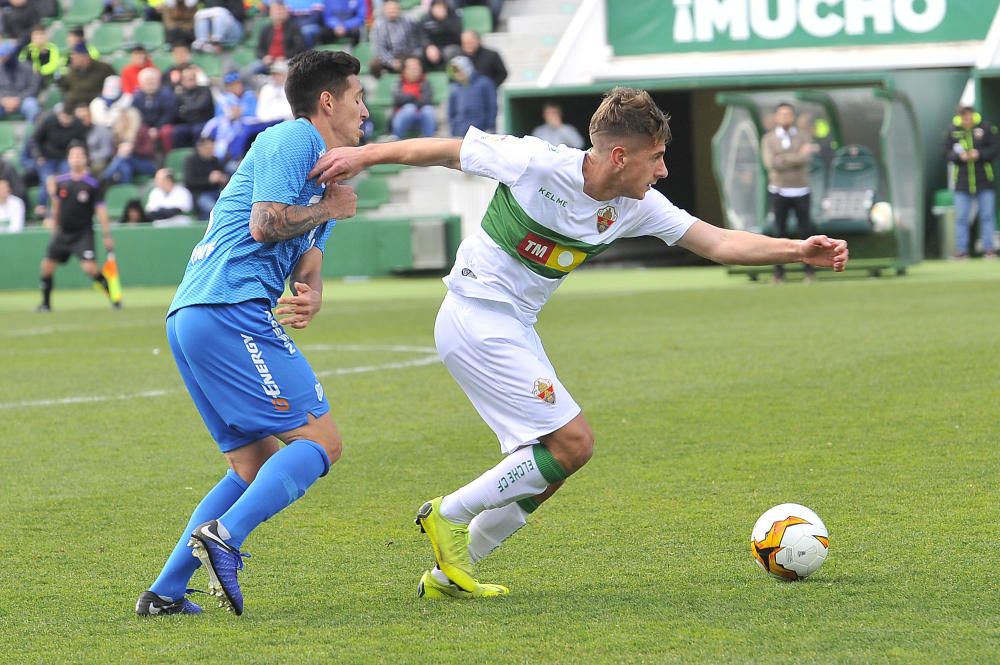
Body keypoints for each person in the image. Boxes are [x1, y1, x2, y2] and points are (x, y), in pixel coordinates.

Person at [308, 87, 848, 599]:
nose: (663, 170)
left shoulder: (637, 205)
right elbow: (450, 150)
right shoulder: (538, 162)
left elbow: (719, 241)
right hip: (474, 315)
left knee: (556, 465)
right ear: (619, 155)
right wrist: (367, 155)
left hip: (514, 327)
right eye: (656, 157)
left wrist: (799, 250)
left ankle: (454, 569)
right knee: (573, 442)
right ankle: (448, 513)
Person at [135, 49, 366, 617]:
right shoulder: (294, 140)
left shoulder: (323, 168)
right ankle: (226, 537)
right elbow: (266, 224)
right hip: (228, 307)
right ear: (328, 101)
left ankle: (165, 593)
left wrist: (312, 291)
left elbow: (302, 260)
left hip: (196, 315)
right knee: (322, 443)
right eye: (358, 98)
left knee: (253, 464)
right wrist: (331, 208)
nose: (366, 111)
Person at [37, 142, 117, 312]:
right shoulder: (61, 181)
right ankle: (45, 304)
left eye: (80, 155)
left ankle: (113, 297)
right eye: (73, 155)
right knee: (46, 266)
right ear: (68, 159)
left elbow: (101, 210)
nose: (76, 159)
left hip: (83, 233)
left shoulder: (93, 183)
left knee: (90, 268)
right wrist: (53, 225)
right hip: (63, 233)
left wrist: (107, 235)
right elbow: (56, 205)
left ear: (86, 158)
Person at [761, 102, 818, 282]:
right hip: (779, 190)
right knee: (779, 231)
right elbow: (770, 163)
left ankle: (809, 271)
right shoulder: (769, 139)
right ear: (776, 117)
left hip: (801, 189)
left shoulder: (803, 136)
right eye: (782, 114)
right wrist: (795, 157)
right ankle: (779, 273)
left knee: (805, 231)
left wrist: (783, 158)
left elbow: (805, 157)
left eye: (788, 114)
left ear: (793, 117)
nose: (785, 117)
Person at [945, 105, 998, 259]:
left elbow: (995, 148)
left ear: (973, 115)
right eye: (963, 116)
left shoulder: (986, 128)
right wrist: (958, 157)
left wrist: (979, 154)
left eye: (968, 115)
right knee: (961, 217)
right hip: (961, 183)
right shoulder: (952, 130)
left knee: (987, 216)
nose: (966, 119)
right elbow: (945, 152)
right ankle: (962, 251)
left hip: (984, 181)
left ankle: (989, 250)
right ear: (960, 117)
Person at [369, 0, 422, 78]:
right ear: (384, 10)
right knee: (374, 65)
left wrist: (411, 56)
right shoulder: (378, 25)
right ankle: (381, 85)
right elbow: (379, 49)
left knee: (414, 61)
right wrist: (391, 62)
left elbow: (414, 41)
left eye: (394, 8)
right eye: (389, 9)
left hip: (405, 54)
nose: (392, 11)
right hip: (387, 56)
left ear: (399, 9)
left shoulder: (407, 21)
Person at [446, 55, 495, 137]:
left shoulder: (484, 83)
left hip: (482, 131)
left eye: (459, 70)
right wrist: (454, 130)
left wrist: (490, 126)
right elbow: (451, 112)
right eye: (454, 71)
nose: (457, 74)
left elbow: (492, 106)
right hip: (461, 133)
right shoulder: (454, 89)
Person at [391, 56, 437, 138]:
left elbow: (427, 100)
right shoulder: (399, 83)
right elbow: (398, 99)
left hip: (420, 118)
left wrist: (410, 99)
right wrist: (413, 98)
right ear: (405, 70)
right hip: (402, 118)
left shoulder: (425, 83)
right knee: (409, 109)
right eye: (412, 68)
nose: (415, 70)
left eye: (417, 67)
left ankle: (428, 140)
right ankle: (396, 137)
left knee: (428, 110)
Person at [184, 135, 228, 218]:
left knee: (228, 206)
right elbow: (189, 182)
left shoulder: (214, 160)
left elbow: (224, 175)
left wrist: (222, 178)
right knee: (214, 210)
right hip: (199, 194)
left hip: (216, 191)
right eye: (209, 148)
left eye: (212, 148)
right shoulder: (191, 160)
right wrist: (209, 180)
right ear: (200, 147)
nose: (212, 150)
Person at [256, 0, 307, 72]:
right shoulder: (266, 29)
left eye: (281, 10)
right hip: (268, 62)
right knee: (248, 72)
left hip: (286, 61)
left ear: (286, 12)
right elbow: (259, 49)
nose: (279, 13)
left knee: (281, 69)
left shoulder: (294, 28)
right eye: (276, 10)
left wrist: (285, 56)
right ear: (271, 12)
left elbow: (300, 48)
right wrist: (264, 57)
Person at [0, 39, 41, 123]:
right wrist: (2, 100)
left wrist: (18, 99)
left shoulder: (26, 66)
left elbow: (33, 87)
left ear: (11, 55)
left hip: (22, 100)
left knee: (32, 106)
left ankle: (31, 135)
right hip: (2, 101)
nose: (3, 58)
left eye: (5, 55)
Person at [419, 0, 462, 71]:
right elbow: (422, 36)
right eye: (437, 7)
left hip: (450, 45)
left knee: (449, 52)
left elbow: (457, 35)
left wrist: (443, 21)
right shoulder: (425, 19)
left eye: (441, 8)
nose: (439, 10)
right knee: (419, 54)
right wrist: (428, 46)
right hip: (433, 47)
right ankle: (425, 78)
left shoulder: (454, 16)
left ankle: (453, 77)